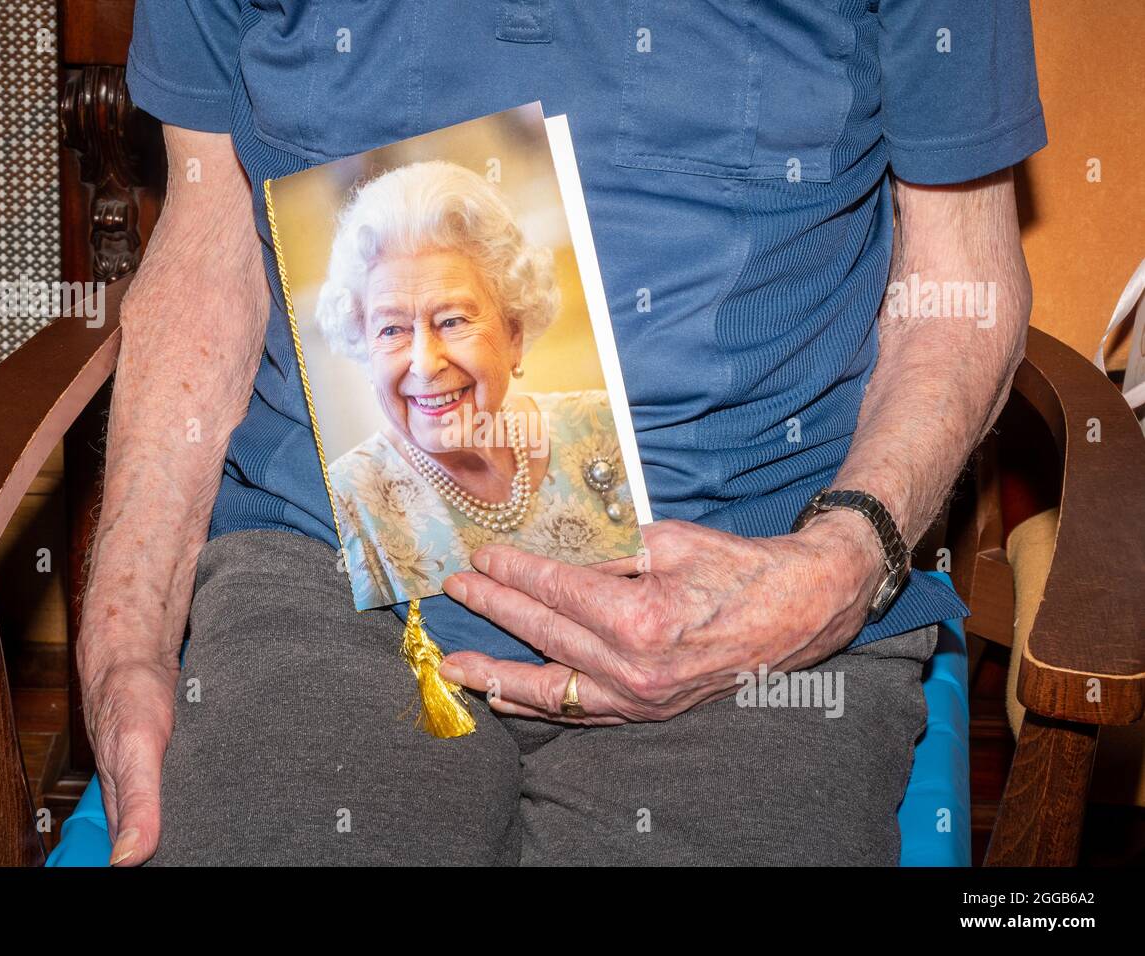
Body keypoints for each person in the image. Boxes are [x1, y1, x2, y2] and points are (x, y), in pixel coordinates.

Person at [80, 0, 1044, 865]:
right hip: (327, 571)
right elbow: (205, 245)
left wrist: (838, 567)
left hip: (751, 587)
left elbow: (959, 288)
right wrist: (128, 625)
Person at [318, 161, 641, 609]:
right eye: (391, 330)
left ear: (513, 334)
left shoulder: (606, 424)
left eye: (452, 321)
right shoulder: (344, 506)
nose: (425, 364)